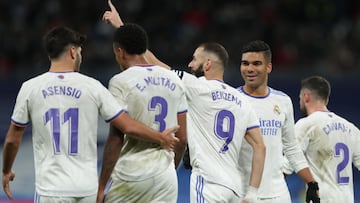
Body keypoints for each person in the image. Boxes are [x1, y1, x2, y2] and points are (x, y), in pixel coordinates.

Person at [102, 2, 266, 203]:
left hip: (208, 183)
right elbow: (260, 146)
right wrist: (252, 192)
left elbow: (151, 63)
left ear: (207, 64)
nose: (189, 64)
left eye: (194, 59)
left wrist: (121, 27)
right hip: (234, 187)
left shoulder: (196, 87)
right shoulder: (242, 100)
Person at [2, 26, 179, 202]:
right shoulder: (93, 87)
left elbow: (12, 139)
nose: (81, 55)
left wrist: (6, 171)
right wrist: (160, 137)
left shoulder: (30, 88)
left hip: (51, 189)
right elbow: (127, 126)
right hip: (86, 189)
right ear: (72, 52)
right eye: (80, 51)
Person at [96, 23, 187, 203]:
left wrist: (101, 187)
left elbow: (116, 137)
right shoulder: (174, 80)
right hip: (165, 178)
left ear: (120, 52)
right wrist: (170, 170)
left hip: (131, 175)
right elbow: (182, 138)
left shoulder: (120, 81)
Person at [236, 40, 320, 203]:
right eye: (245, 64)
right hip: (243, 194)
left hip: (278, 194)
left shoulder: (282, 101)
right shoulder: (233, 100)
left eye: (257, 63)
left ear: (269, 67)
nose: (250, 69)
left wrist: (311, 183)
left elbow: (291, 147)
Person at [282, 75, 360, 203]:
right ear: (326, 100)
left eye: (300, 98)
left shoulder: (307, 124)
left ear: (306, 96)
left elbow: (288, 165)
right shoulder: (350, 128)